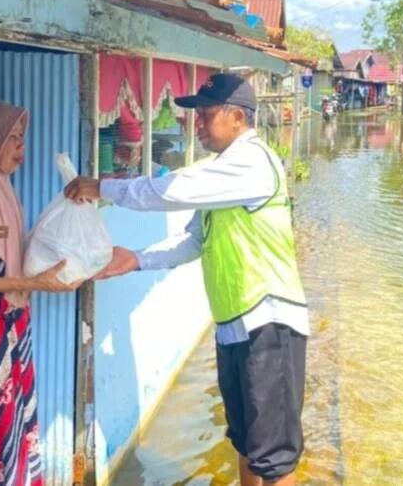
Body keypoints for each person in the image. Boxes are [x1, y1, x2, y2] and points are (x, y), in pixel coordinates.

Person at [64, 74, 309, 486]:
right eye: (195, 114)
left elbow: (168, 191)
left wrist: (103, 186)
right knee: (246, 442)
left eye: (206, 114)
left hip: (269, 322)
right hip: (236, 325)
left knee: (275, 457)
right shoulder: (222, 172)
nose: (196, 123)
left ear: (237, 117)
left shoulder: (251, 163)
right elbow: (194, 240)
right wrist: (137, 259)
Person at [0, 97, 81, 486]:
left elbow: (5, 251)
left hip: (12, 323)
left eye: (22, 138)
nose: (22, 149)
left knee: (14, 425)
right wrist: (30, 283)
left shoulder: (1, 191)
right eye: (13, 138)